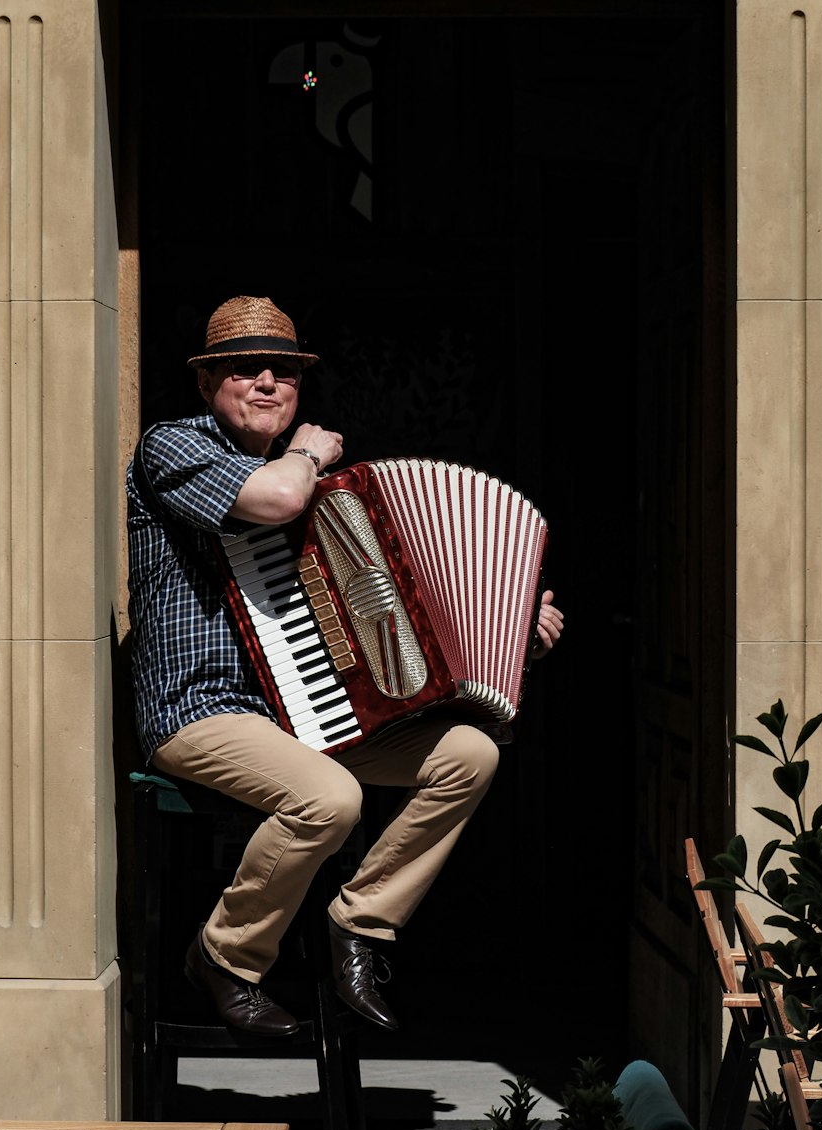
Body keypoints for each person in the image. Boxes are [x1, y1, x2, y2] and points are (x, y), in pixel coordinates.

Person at [125, 294, 564, 1036]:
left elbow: (385, 627)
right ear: (207, 384)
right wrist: (306, 451)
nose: (266, 381)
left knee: (469, 753)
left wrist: (516, 632)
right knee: (329, 799)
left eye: (283, 372)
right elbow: (273, 497)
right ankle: (225, 954)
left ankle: (362, 920)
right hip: (199, 708)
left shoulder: (328, 499)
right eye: (244, 369)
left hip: (304, 711)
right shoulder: (177, 445)